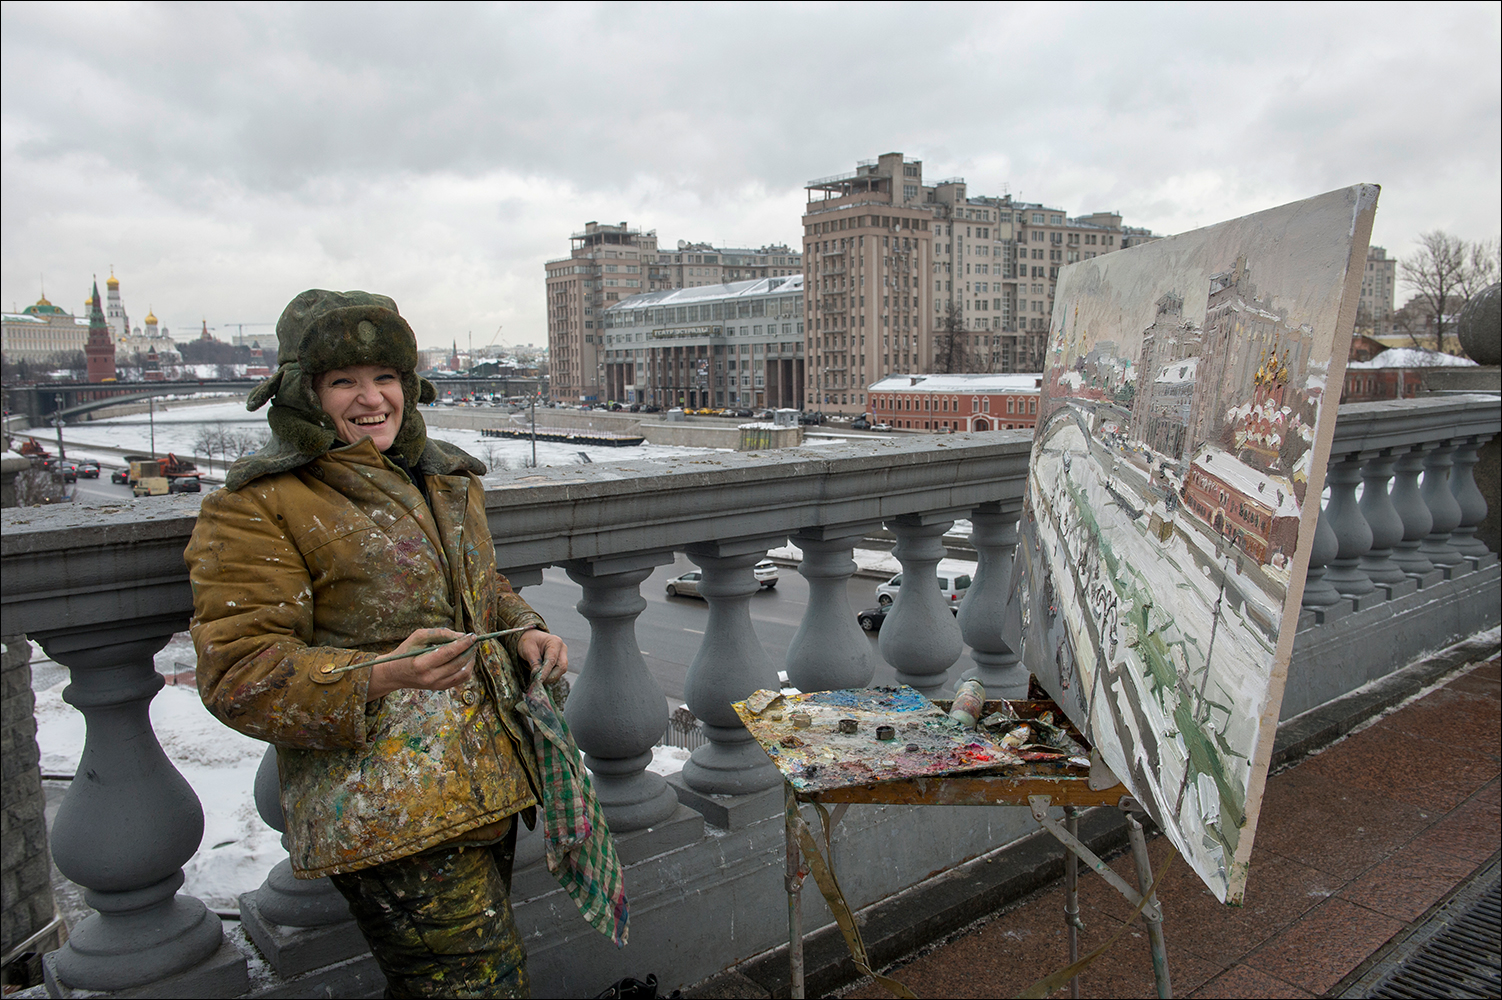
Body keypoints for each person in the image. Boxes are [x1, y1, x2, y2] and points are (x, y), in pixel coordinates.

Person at [186, 289, 569, 998]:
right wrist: (383, 675)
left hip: (484, 787)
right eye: (344, 382)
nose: (372, 398)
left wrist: (525, 632)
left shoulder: (444, 479)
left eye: (385, 376)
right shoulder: (258, 506)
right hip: (388, 814)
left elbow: (478, 591)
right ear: (305, 393)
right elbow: (238, 674)